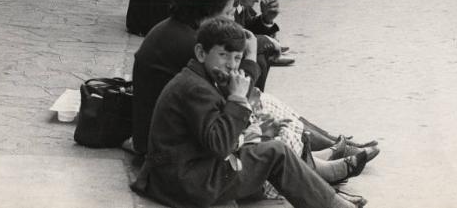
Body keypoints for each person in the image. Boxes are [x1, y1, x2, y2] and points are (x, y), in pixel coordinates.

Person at [131, 17, 368, 208]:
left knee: (266, 144)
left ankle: (326, 196)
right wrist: (236, 99)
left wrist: (244, 115)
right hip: (186, 183)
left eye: (236, 58)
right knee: (276, 153)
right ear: (201, 53)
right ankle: (331, 204)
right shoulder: (195, 88)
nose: (231, 65)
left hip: (182, 174)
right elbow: (219, 144)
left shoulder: (200, 79)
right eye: (222, 55)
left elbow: (217, 135)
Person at [131, 0, 242, 156]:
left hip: (158, 133)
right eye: (228, 13)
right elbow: (235, 89)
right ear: (207, 13)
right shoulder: (191, 45)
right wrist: (252, 57)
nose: (233, 20)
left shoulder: (177, 28)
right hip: (165, 144)